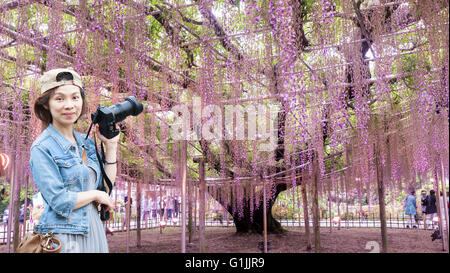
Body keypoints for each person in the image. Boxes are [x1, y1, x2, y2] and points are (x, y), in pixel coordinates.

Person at [30, 68, 118, 253]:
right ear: (46, 104)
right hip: (65, 236)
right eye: (60, 98)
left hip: (93, 230)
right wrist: (95, 195)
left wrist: (111, 147)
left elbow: (104, 189)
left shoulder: (85, 142)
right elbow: (59, 201)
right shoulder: (42, 148)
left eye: (75, 97)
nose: (69, 105)